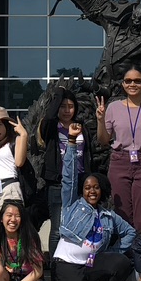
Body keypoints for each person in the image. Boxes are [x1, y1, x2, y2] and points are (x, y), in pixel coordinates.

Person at [51, 123, 136, 281]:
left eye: (96, 187)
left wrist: (112, 252)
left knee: (121, 262)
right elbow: (69, 178)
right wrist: (71, 142)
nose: (92, 191)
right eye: (87, 187)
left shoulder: (108, 216)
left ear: (102, 190)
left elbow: (130, 232)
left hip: (90, 265)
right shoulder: (72, 204)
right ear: (82, 191)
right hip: (67, 266)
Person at [97, 63, 141, 230]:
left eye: (137, 81)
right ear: (123, 84)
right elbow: (103, 140)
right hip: (120, 161)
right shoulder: (113, 108)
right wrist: (100, 119)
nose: (132, 84)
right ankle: (126, 254)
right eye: (128, 81)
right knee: (122, 215)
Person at [37, 85, 93, 254]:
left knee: (78, 225)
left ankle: (72, 262)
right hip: (58, 183)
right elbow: (48, 116)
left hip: (80, 181)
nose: (67, 110)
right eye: (63, 106)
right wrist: (59, 93)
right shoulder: (52, 127)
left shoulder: (81, 127)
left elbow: (87, 154)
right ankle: (56, 269)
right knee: (57, 228)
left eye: (70, 106)